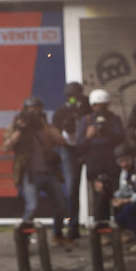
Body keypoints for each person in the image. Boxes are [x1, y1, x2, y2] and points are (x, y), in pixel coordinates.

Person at [3, 96, 69, 245]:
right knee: (32, 206)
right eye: (31, 112)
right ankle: (23, 238)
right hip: (30, 174)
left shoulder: (44, 126)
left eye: (37, 111)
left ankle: (57, 234)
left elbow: (61, 141)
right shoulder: (16, 126)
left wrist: (44, 124)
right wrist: (20, 129)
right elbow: (7, 146)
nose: (34, 115)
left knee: (61, 205)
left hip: (48, 172)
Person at [75, 88, 126, 222]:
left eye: (104, 106)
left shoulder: (114, 119)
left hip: (112, 165)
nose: (101, 109)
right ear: (93, 106)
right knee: (99, 199)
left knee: (116, 195)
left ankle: (120, 227)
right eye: (99, 106)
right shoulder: (85, 121)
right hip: (95, 166)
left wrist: (107, 132)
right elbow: (79, 145)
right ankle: (101, 231)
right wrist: (88, 136)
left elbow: (121, 137)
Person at [51, 81, 91, 241]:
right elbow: (55, 130)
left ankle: (100, 222)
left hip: (87, 148)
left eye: (75, 96)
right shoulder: (62, 111)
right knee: (72, 188)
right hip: (69, 149)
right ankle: (72, 225)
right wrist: (65, 127)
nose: (73, 99)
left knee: (97, 182)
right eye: (70, 97)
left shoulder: (88, 106)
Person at [111, 144, 136, 242]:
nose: (124, 164)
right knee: (119, 218)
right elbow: (123, 191)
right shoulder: (124, 172)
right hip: (134, 199)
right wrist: (115, 198)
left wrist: (126, 200)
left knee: (129, 210)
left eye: (127, 160)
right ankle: (134, 235)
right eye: (120, 162)